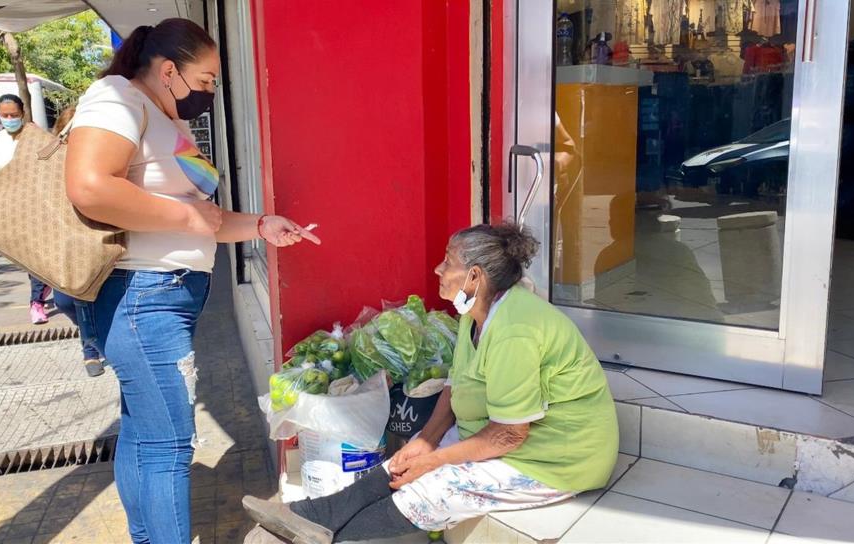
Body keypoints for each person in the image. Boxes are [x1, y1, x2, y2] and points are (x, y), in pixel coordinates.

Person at [64, 19, 320, 544]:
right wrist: (187, 221)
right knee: (169, 446)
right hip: (142, 298)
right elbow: (89, 187)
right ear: (168, 70)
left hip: (161, 297)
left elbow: (198, 214)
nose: (210, 92)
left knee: (143, 435)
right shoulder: (116, 97)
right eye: (205, 80)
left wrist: (261, 226)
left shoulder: (159, 117)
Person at [242, 223, 619, 544]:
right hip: (505, 436)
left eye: (448, 262)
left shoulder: (515, 329)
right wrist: (426, 440)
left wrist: (435, 460)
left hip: (555, 458)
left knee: (432, 487)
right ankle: (312, 513)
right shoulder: (478, 312)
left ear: (475, 276)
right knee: (403, 461)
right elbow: (455, 387)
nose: (438, 269)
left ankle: (307, 536)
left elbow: (509, 436)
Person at [0, 94, 53, 324]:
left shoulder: (35, 136)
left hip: (38, 204)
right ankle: (40, 295)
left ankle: (38, 300)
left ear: (22, 112)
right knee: (28, 256)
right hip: (11, 207)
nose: (10, 118)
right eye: (5, 115)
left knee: (41, 253)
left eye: (14, 114)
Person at [48, 106, 105, 378]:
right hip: (60, 240)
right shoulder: (52, 162)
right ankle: (91, 337)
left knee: (83, 297)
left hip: (94, 236)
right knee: (64, 300)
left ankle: (91, 349)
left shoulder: (100, 159)